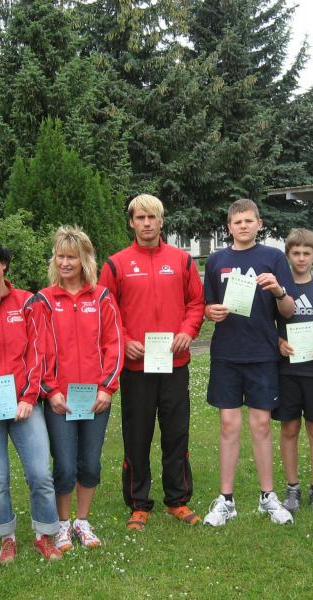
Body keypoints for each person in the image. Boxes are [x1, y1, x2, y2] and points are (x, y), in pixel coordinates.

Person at [99, 194, 204, 530]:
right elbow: (106, 310)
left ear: (161, 221)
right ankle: (139, 503)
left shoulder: (182, 260)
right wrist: (124, 340)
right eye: (140, 218)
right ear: (131, 222)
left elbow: (196, 303)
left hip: (175, 363)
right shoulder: (116, 264)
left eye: (152, 217)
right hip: (137, 368)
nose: (146, 223)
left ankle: (178, 499)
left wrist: (187, 331)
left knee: (176, 433)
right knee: (137, 436)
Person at [0, 237, 62, 563]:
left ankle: (44, 535)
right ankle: (7, 537)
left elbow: (38, 352)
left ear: (3, 264)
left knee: (40, 474)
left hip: (25, 405)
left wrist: (29, 397)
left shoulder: (28, 303)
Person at [202, 198, 297, 526]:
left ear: (259, 223)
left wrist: (279, 291)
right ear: (229, 227)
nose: (243, 226)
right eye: (237, 221)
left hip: (262, 354)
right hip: (226, 354)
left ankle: (267, 496)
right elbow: (207, 306)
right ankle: (226, 500)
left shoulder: (273, 257)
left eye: (248, 220)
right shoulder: (216, 261)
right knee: (229, 425)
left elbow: (289, 310)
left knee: (261, 425)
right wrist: (210, 312)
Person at [36, 226, 124, 550]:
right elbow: (38, 349)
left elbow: (114, 344)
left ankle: (82, 522)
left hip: (95, 398)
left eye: (71, 257)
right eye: (60, 256)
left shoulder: (101, 297)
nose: (65, 263)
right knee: (64, 465)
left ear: (85, 259)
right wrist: (51, 390)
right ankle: (62, 525)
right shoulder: (44, 300)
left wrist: (106, 389)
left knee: (90, 463)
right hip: (60, 399)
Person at [274, 229, 313, 513]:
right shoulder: (279, 289)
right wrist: (278, 343)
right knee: (289, 428)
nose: (301, 258)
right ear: (288, 255)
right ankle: (292, 487)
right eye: (295, 253)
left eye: (306, 253)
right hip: (287, 371)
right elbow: (267, 323)